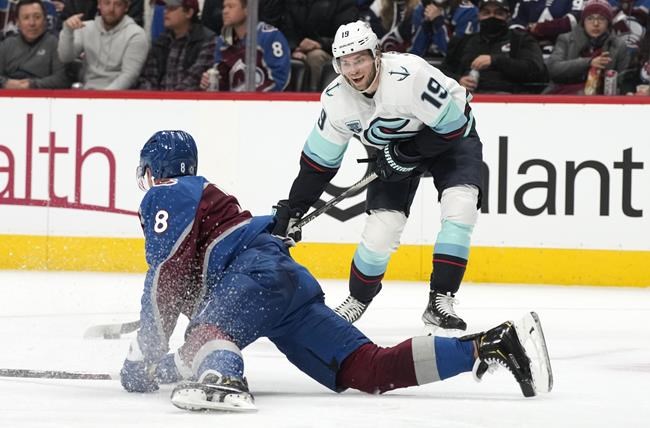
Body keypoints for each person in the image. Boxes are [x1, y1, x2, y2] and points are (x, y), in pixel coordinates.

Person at [119, 130, 552, 411]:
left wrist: (146, 352)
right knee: (369, 368)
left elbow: (164, 277)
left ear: (156, 170)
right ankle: (489, 344)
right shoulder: (205, 203)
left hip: (254, 273)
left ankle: (226, 380)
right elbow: (209, 315)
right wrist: (164, 366)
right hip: (282, 283)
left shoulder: (167, 192)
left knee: (205, 334)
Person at [271, 20, 482, 331]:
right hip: (393, 151)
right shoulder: (336, 99)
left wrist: (406, 153)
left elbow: (453, 125)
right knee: (383, 228)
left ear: (377, 55)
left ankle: (441, 299)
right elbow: (318, 164)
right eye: (345, 62)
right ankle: (357, 299)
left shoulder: (410, 77)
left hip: (451, 141)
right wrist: (295, 208)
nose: (353, 69)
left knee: (461, 206)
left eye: (360, 59)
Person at [440, 0, 548, 93]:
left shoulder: (521, 40)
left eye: (498, 13)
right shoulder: (463, 42)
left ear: (508, 16)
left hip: (511, 99)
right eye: (486, 13)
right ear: (478, 15)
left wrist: (495, 60)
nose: (492, 17)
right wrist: (458, 80)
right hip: (468, 98)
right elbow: (442, 72)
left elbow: (536, 70)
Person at [198, 0, 290, 92]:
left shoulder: (271, 36)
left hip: (265, 100)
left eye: (231, 6)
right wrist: (210, 82)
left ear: (247, 10)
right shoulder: (222, 41)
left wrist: (255, 98)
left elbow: (280, 78)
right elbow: (221, 79)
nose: (225, 11)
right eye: (224, 7)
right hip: (233, 100)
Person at [57, 0, 148, 89]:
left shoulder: (136, 34)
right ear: (99, 4)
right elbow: (65, 57)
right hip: (87, 91)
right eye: (107, 3)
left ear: (126, 7)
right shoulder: (85, 28)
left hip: (120, 95)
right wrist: (68, 30)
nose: (111, 9)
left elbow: (129, 76)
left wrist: (103, 96)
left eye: (118, 4)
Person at [545, 0, 630, 94]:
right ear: (583, 22)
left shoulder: (619, 45)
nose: (596, 24)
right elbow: (553, 69)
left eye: (601, 19)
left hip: (601, 98)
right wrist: (588, 63)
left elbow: (623, 80)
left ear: (608, 23)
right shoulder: (566, 40)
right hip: (564, 96)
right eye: (590, 18)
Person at [137, 0, 216, 91]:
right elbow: (148, 77)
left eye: (172, 8)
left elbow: (194, 80)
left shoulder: (207, 40)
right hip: (159, 98)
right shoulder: (161, 41)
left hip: (189, 99)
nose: (165, 11)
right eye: (165, 7)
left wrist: (168, 98)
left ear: (189, 13)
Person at [0, 0, 69, 89]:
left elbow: (61, 79)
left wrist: (31, 85)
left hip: (42, 94)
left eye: (37, 17)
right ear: (18, 22)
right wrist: (5, 83)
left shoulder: (54, 43)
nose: (32, 23)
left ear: (45, 20)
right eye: (26, 18)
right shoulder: (7, 44)